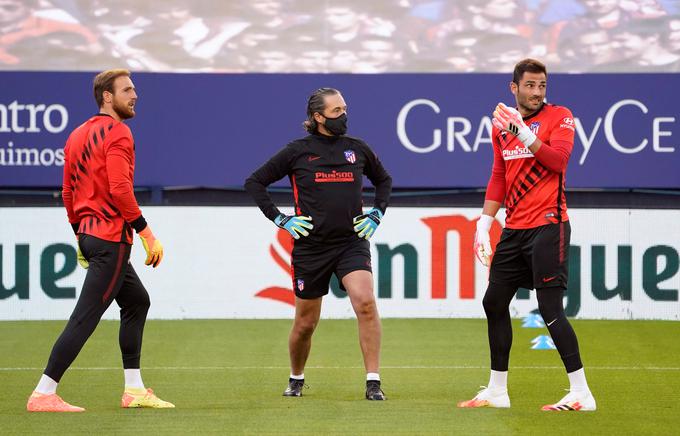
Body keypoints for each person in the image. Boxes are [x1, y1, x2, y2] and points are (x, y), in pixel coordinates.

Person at [26, 69, 173, 412]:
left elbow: (67, 192)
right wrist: (147, 234)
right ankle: (44, 392)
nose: (135, 95)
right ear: (107, 96)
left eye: (134, 88)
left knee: (137, 301)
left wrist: (80, 234)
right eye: (127, 89)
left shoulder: (77, 134)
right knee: (85, 317)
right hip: (111, 239)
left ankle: (134, 391)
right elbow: (120, 189)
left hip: (91, 235)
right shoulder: (119, 133)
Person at [458, 59, 596, 411]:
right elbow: (499, 175)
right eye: (530, 85)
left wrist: (525, 133)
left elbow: (559, 162)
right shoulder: (502, 126)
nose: (537, 93)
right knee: (493, 302)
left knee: (550, 309)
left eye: (542, 86)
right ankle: (497, 390)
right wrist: (484, 223)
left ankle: (581, 392)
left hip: (550, 225)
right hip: (515, 229)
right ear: (514, 87)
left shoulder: (560, 116)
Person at [244, 87, 392, 400]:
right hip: (311, 248)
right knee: (306, 322)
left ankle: (373, 382)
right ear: (318, 116)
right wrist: (280, 219)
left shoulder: (358, 148)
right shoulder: (297, 151)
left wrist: (377, 214)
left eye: (345, 109)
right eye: (337, 111)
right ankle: (296, 377)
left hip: (351, 242)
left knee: (365, 302)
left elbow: (384, 180)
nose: (344, 116)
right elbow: (254, 182)